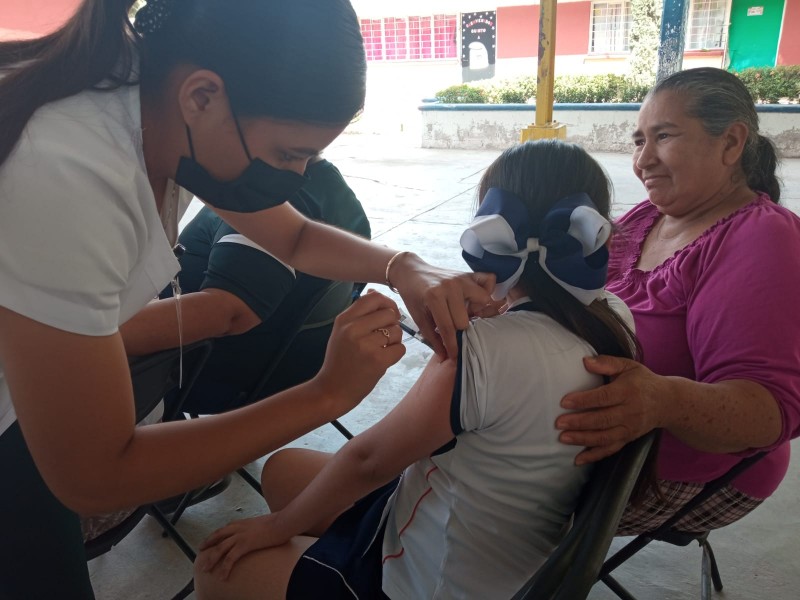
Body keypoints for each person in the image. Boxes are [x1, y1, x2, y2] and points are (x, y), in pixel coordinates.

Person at [0, 0, 495, 597]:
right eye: (289, 154)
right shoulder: (69, 181)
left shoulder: (158, 98)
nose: (300, 175)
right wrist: (327, 393)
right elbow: (97, 472)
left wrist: (403, 265)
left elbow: (297, 235)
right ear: (202, 96)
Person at [192, 140, 640, 600]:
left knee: (218, 568)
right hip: (511, 561)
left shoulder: (482, 351)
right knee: (284, 470)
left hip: (426, 579)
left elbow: (369, 460)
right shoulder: (614, 316)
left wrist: (277, 528)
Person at [555, 67, 800, 535]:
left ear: (730, 143)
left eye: (663, 136)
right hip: (597, 443)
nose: (643, 160)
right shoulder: (651, 215)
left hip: (689, 473)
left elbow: (767, 413)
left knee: (485, 500)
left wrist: (659, 400)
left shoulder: (761, 237)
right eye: (638, 140)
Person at [120, 155, 372, 414]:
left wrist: (94, 335)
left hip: (209, 376)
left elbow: (226, 312)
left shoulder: (272, 198)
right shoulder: (332, 187)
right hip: (295, 364)